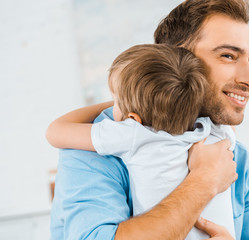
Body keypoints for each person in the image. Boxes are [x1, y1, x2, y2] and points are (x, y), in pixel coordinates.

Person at [49, 0, 249, 239]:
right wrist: (204, 180)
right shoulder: (92, 152)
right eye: (228, 56)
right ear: (176, 57)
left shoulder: (232, 154)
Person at [46, 43, 237, 239]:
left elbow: (55, 131)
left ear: (133, 118)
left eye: (116, 101)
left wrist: (129, 102)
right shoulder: (213, 132)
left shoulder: (132, 134)